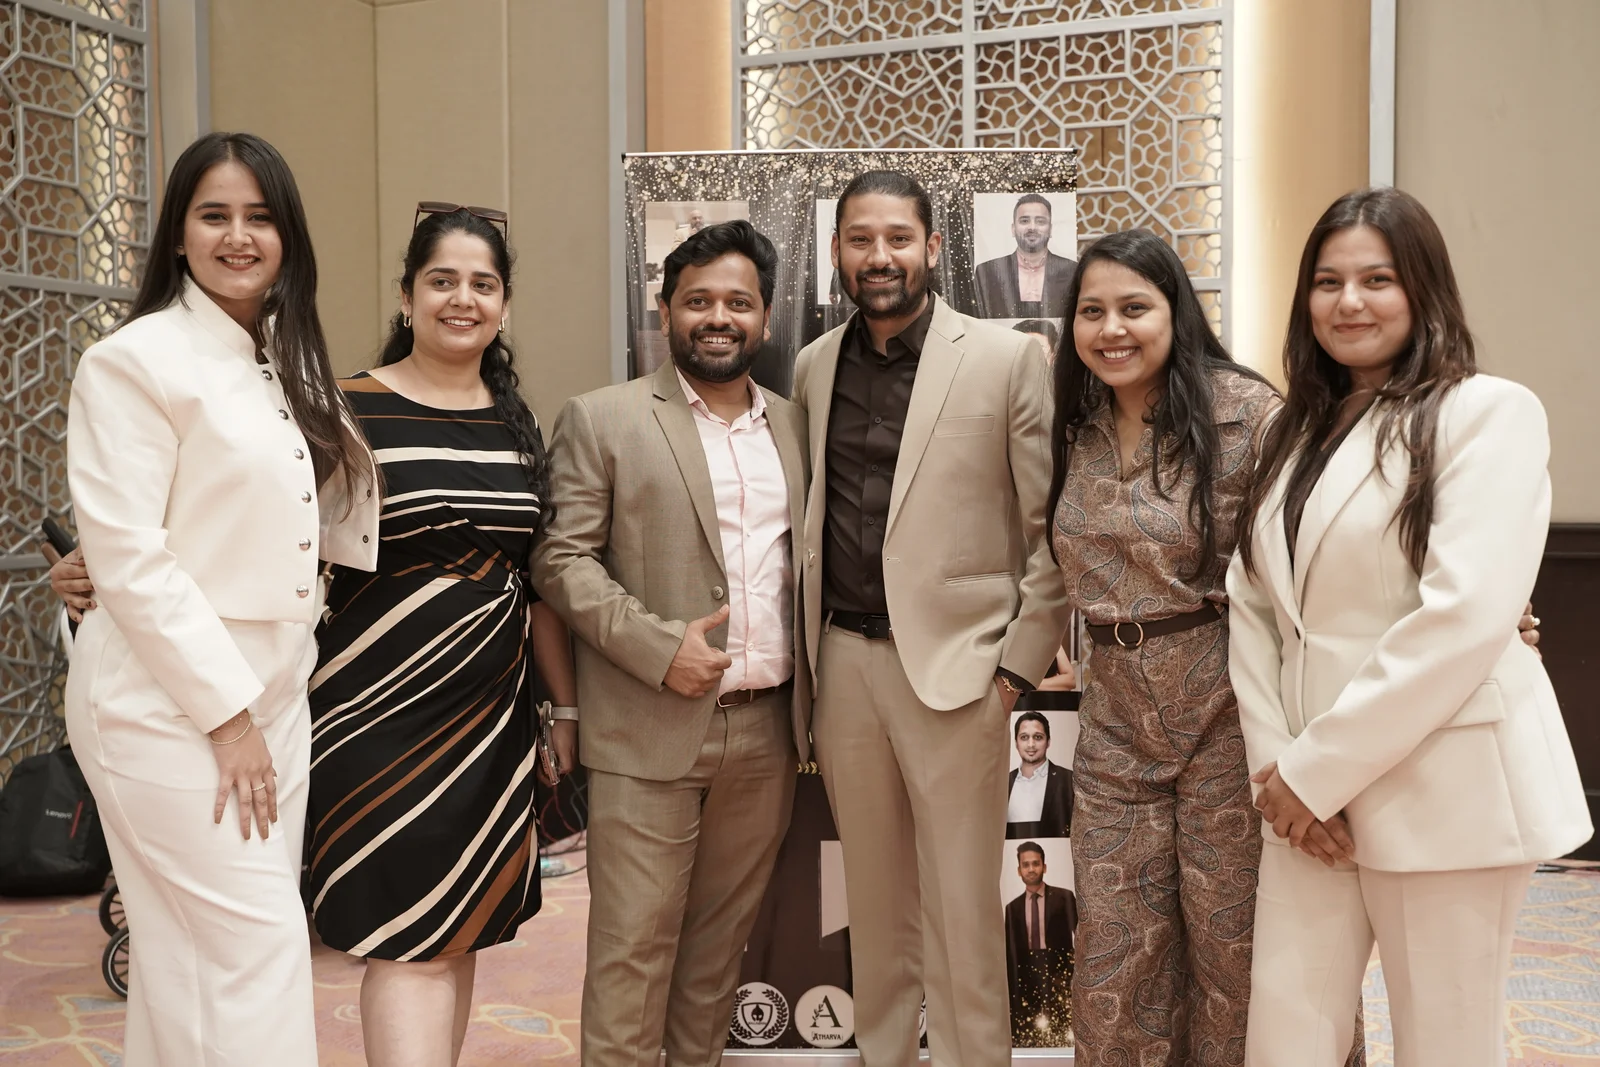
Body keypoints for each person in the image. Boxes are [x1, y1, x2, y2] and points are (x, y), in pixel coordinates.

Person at [1228, 187, 1591, 1067]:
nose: (1348, 302)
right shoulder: (1288, 430)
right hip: (1303, 799)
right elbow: (1254, 603)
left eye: (1377, 279)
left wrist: (1314, 772)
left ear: (1423, 288)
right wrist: (1277, 770)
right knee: (1285, 1038)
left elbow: (1464, 616)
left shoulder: (1488, 411)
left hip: (1445, 787)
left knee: (1444, 1044)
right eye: (1327, 282)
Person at [61, 131, 379, 1066]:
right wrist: (229, 717)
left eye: (259, 217)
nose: (239, 236)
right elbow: (132, 556)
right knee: (256, 951)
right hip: (169, 705)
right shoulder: (134, 360)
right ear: (178, 233)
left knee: (187, 960)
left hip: (277, 690)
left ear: (288, 236)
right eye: (214, 216)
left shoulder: (286, 357)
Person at [792, 170, 1071, 1067]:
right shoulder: (813, 365)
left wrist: (1015, 668)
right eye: (860, 240)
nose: (880, 257)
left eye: (898, 239)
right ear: (836, 252)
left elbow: (1048, 526)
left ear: (933, 247)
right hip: (844, 665)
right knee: (875, 906)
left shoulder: (1003, 357)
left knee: (960, 908)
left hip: (962, 672)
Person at [531, 220, 810, 1067]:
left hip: (767, 734)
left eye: (738, 302)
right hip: (647, 727)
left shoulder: (798, 426)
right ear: (665, 312)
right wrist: (659, 648)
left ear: (766, 317)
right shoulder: (603, 417)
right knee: (632, 957)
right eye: (698, 301)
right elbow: (559, 559)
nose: (718, 317)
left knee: (715, 959)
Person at [305, 204, 577, 1067]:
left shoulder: (516, 419)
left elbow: (540, 585)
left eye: (482, 284)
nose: (463, 298)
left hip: (490, 723)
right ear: (407, 295)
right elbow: (268, 534)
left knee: (455, 936)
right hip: (375, 715)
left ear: (505, 304)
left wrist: (563, 711)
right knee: (407, 940)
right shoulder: (346, 408)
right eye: (442, 280)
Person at [1047, 228, 1279, 1067]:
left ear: (1175, 311)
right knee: (1118, 949)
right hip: (1113, 720)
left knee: (1235, 947)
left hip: (1227, 713)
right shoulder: (1072, 425)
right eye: (1092, 311)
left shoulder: (1246, 414)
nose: (1112, 329)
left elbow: (1326, 545)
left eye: (1134, 308)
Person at [1003, 841, 1078, 1045]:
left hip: (1060, 972)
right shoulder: (1012, 908)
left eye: (1035, 863)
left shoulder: (1064, 898)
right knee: (1031, 1028)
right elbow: (1009, 949)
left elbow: (1080, 934)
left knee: (1061, 1025)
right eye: (1025, 865)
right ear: (1019, 870)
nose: (1031, 869)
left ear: (1044, 866)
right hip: (1026, 975)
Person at [975, 193, 1078, 319]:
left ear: (1050, 230)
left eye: (1040, 221)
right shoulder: (987, 271)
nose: (1032, 227)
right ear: (1013, 229)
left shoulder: (1072, 271)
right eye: (1024, 221)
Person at [1007, 711, 1073, 838]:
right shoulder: (1003, 783)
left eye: (1038, 737)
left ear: (1048, 742)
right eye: (1024, 737)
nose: (1031, 744)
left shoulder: (1068, 780)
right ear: (1016, 743)